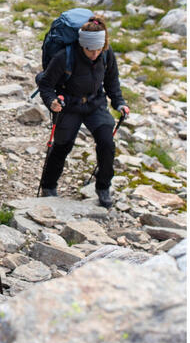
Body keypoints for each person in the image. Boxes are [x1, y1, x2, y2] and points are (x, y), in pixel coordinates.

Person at [35, 15, 129, 207]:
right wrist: (52, 101)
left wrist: (119, 103)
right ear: (81, 45)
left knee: (106, 143)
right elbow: (45, 84)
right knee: (63, 145)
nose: (94, 54)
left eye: (97, 49)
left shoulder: (106, 53)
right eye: (89, 50)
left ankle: (103, 187)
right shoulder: (65, 57)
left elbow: (112, 81)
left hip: (95, 104)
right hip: (69, 105)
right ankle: (49, 186)